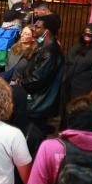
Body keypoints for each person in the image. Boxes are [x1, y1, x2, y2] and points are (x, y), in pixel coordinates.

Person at [18, 13, 65, 156]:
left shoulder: (50, 53)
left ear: (47, 32)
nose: (34, 30)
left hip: (39, 105)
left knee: (31, 146)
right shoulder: (43, 48)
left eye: (37, 27)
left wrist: (20, 83)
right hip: (37, 103)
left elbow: (36, 80)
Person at [61, 25, 92, 106]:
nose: (87, 35)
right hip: (69, 87)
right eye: (85, 32)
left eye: (91, 33)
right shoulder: (78, 46)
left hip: (85, 90)